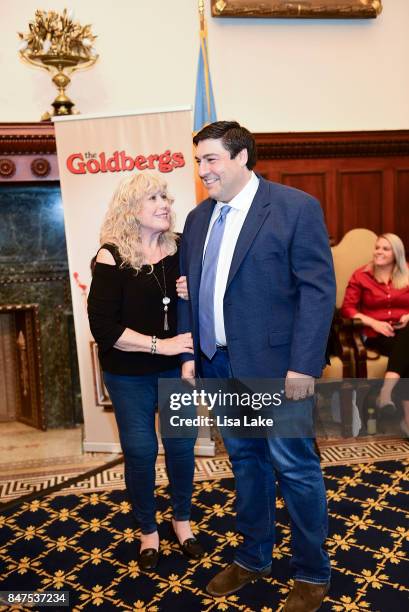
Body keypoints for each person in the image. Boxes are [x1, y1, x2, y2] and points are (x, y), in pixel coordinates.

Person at [178, 121, 336, 611]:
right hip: (218, 364)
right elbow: (191, 288)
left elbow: (317, 291)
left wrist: (303, 366)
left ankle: (312, 572)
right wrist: (189, 353)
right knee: (245, 463)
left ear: (242, 157)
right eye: (199, 160)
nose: (203, 170)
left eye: (211, 160)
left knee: (295, 468)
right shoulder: (199, 218)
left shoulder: (294, 208)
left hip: (277, 368)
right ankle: (253, 557)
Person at [87, 172, 203, 571]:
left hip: (176, 370)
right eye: (153, 197)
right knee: (140, 452)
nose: (165, 204)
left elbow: (192, 308)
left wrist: (186, 356)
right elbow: (104, 329)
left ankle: (182, 521)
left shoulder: (180, 248)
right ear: (131, 208)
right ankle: (148, 529)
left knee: (182, 447)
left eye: (166, 197)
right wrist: (161, 345)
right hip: (128, 373)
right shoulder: (110, 256)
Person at [341, 233, 409, 436]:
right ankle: (405, 418)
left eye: (385, 249)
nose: (379, 251)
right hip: (375, 336)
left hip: (401, 333)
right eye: (377, 247)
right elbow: (347, 309)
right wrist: (374, 323)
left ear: (396, 254)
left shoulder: (407, 274)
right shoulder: (361, 275)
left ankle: (386, 394)